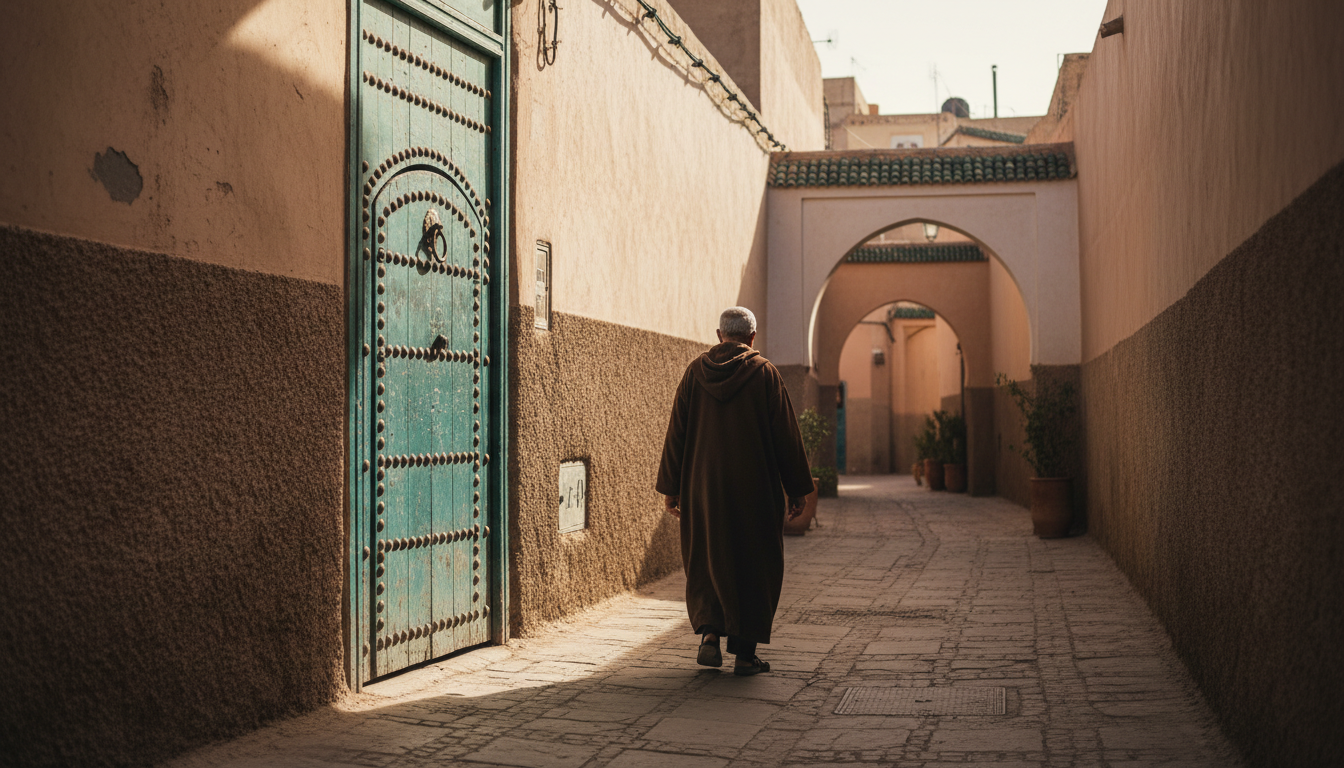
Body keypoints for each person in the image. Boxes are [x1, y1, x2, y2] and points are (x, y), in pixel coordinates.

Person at [656, 307, 815, 676]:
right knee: (754, 564)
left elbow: (676, 432)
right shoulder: (765, 375)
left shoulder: (695, 373)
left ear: (718, 335)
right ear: (753, 338)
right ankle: (745, 654)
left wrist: (672, 487)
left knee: (707, 558)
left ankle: (710, 635)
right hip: (754, 491)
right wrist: (798, 489)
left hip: (702, 489)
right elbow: (786, 438)